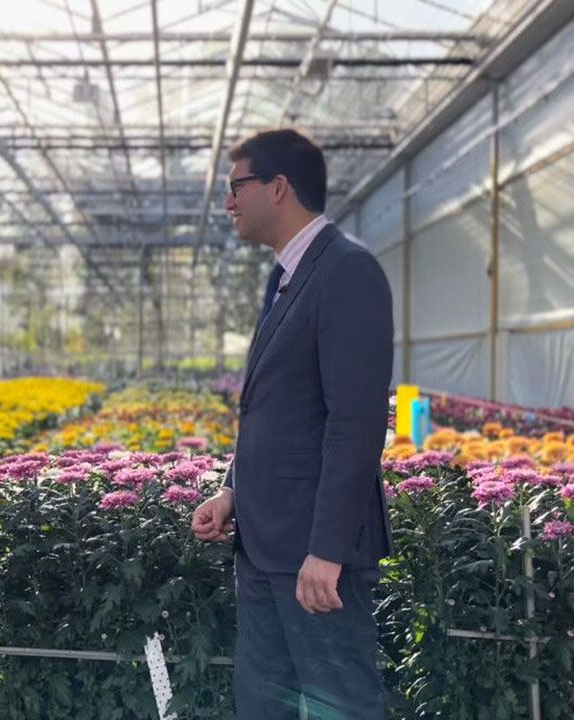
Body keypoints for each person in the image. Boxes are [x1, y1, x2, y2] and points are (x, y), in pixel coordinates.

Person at [191, 129, 394, 719]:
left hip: (313, 557)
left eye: (236, 187)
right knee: (263, 702)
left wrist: (326, 549)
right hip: (262, 544)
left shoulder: (347, 271)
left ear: (278, 188)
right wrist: (233, 487)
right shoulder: (283, 275)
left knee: (340, 704)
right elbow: (278, 407)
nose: (228, 203)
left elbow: (355, 423)